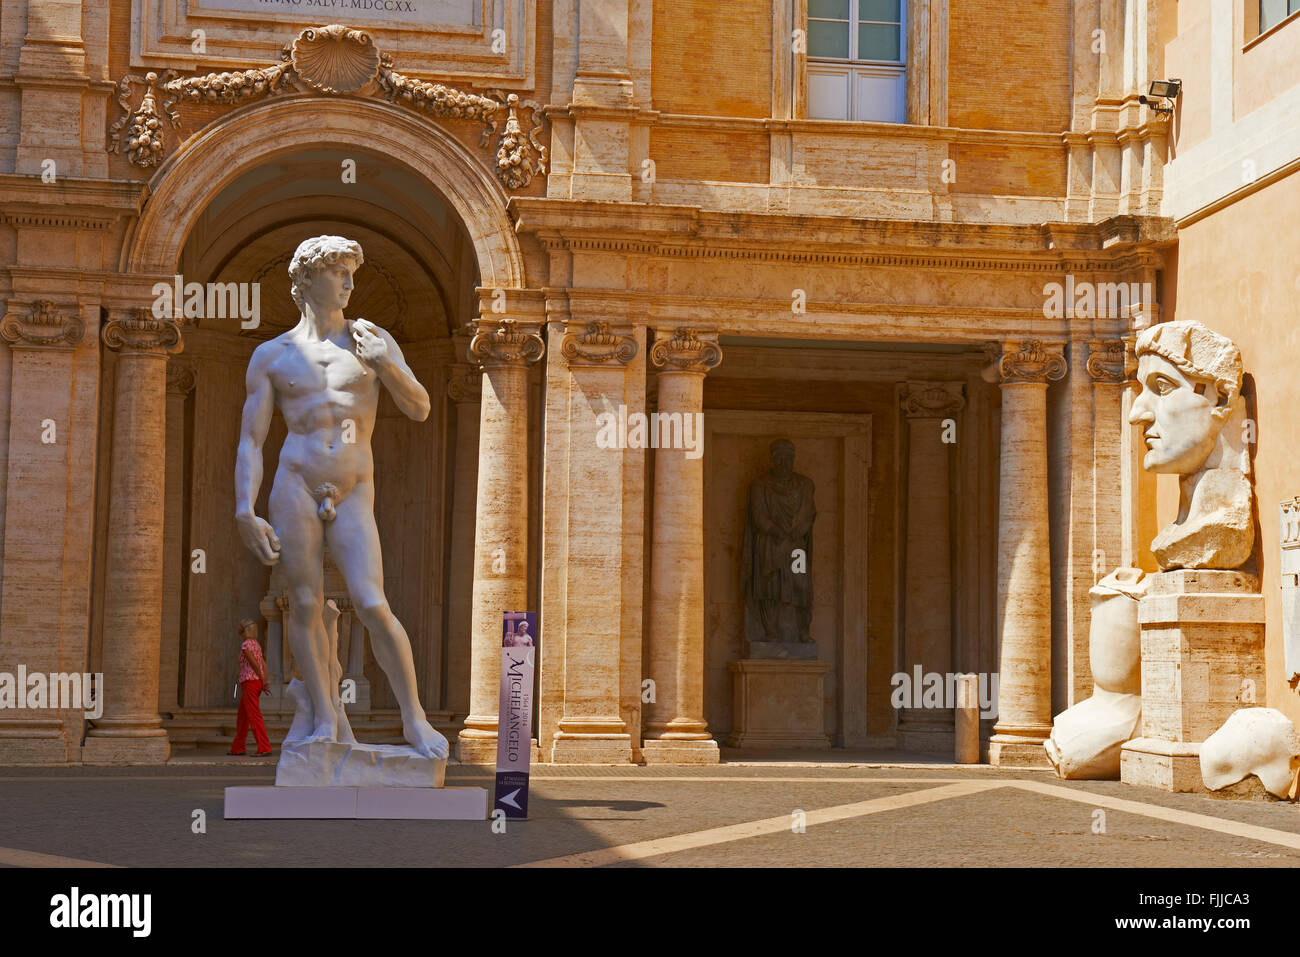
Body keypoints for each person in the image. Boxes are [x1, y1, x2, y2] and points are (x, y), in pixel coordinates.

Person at [234, 235, 447, 759]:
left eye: (353, 272)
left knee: (373, 603)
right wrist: (245, 509)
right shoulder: (272, 355)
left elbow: (420, 407)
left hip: (353, 489)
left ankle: (414, 720)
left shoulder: (372, 340)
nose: (350, 283)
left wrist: (388, 365)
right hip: (295, 484)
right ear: (306, 279)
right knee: (303, 603)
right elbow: (252, 441)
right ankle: (325, 719)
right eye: (338, 271)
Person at [229, 618, 272, 757]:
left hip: (250, 682)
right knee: (243, 715)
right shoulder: (256, 644)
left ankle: (264, 747)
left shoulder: (246, 645)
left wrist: (261, 678)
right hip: (255, 682)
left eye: (241, 627)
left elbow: (254, 664)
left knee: (253, 715)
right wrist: (264, 680)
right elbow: (263, 663)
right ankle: (238, 747)